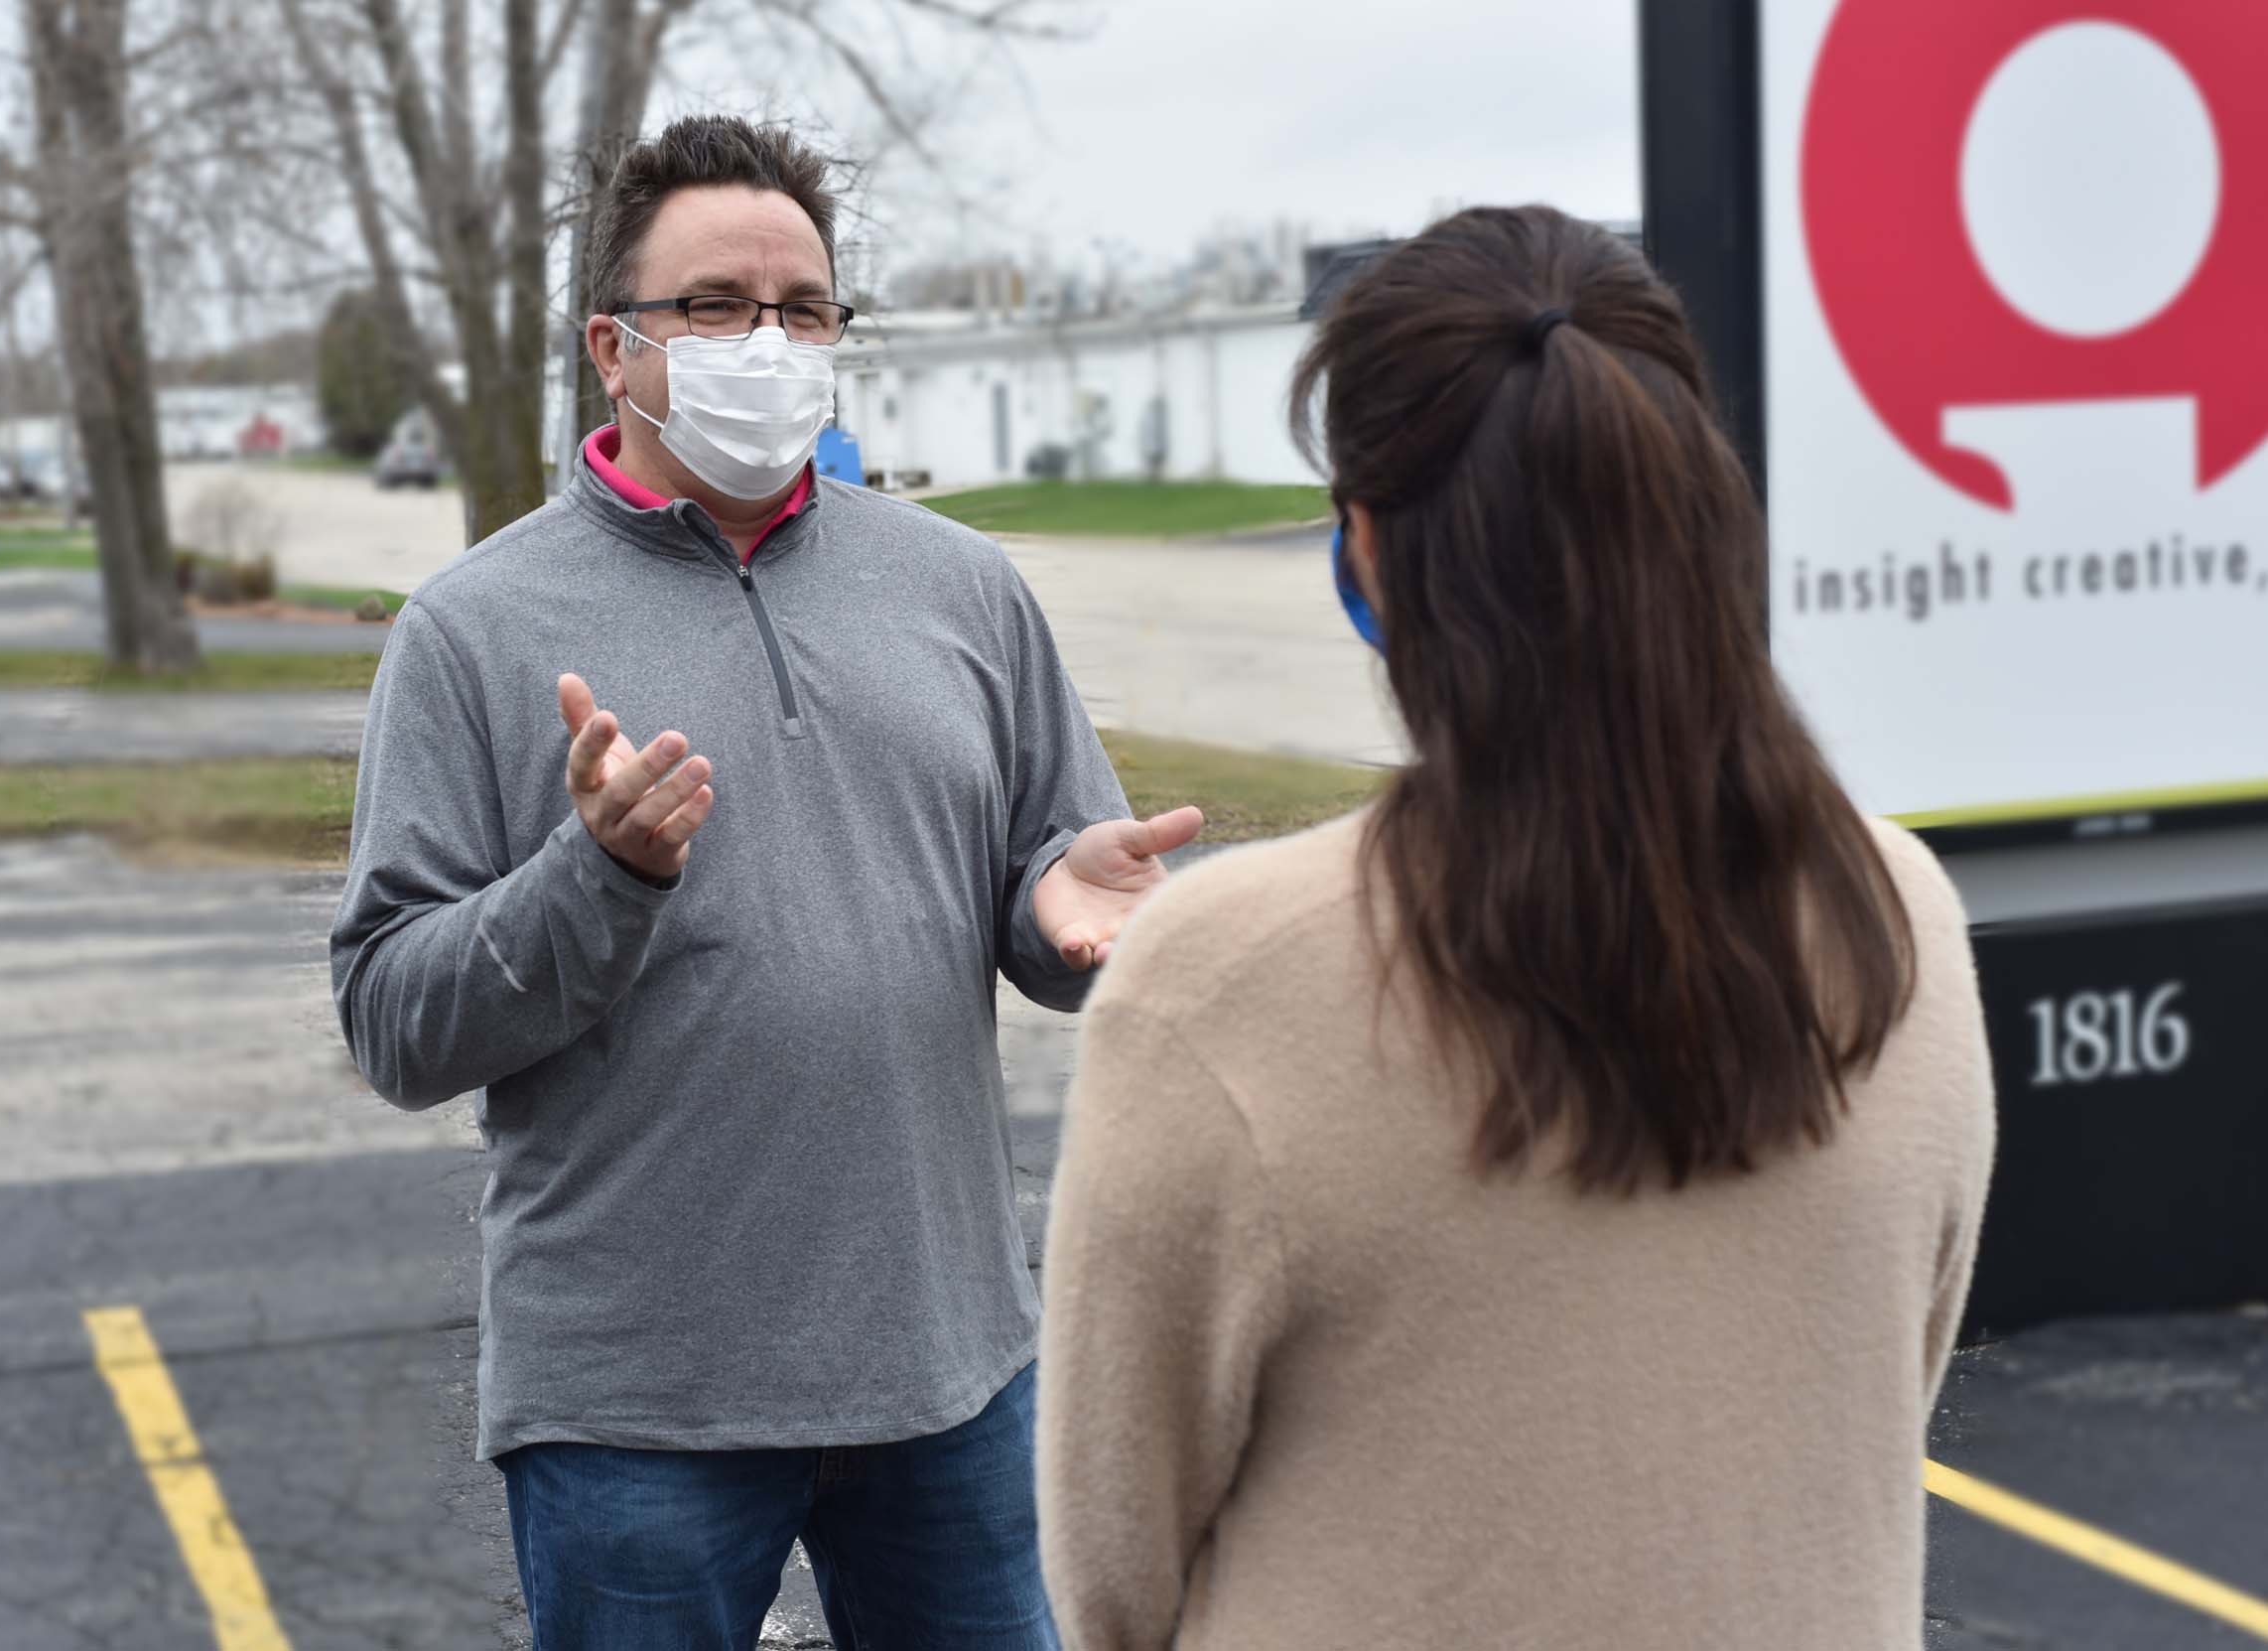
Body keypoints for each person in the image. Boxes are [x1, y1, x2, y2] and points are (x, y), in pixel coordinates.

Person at [1033, 205, 1996, 1651]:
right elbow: (1877, 1385)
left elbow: (1114, 1574)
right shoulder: (1897, 918)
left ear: (1366, 550)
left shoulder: (1219, 986)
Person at [330, 114, 1202, 1649]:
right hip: (633, 1405)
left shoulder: (961, 589)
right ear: (614, 345)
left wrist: (1072, 920)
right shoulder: (473, 630)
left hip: (950, 1370)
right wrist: (593, 875)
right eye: (719, 306)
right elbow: (396, 1023)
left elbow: (1049, 895)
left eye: (804, 309)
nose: (771, 342)